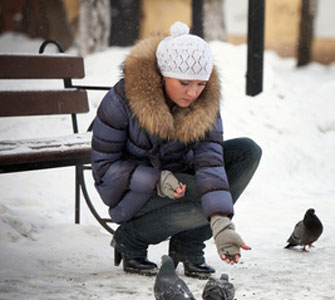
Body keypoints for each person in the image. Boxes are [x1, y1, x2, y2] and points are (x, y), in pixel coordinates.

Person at [90, 21, 262, 278]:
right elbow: (104, 170)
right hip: (132, 190)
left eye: (201, 84)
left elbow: (210, 162)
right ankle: (131, 239)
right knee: (200, 198)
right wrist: (156, 180)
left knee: (247, 152)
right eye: (184, 83)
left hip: (183, 182)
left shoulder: (204, 103)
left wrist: (222, 223)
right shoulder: (121, 100)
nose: (193, 92)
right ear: (162, 74)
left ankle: (188, 246)